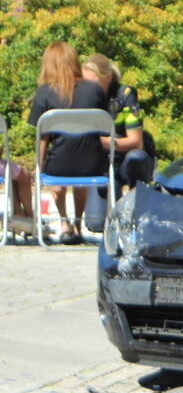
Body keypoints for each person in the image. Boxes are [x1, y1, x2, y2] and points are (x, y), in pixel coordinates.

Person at [27, 42, 107, 244]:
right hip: (92, 165)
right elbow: (104, 127)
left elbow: (42, 136)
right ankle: (78, 225)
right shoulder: (95, 90)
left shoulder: (45, 92)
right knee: (81, 162)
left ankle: (64, 223)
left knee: (58, 169)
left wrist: (39, 165)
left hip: (58, 165)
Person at [81, 53, 155, 194]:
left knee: (137, 158)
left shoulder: (125, 95)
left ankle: (137, 198)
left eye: (93, 83)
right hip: (102, 162)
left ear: (107, 77)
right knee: (106, 188)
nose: (89, 88)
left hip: (126, 158)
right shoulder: (84, 98)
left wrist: (101, 142)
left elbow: (136, 142)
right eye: (85, 83)